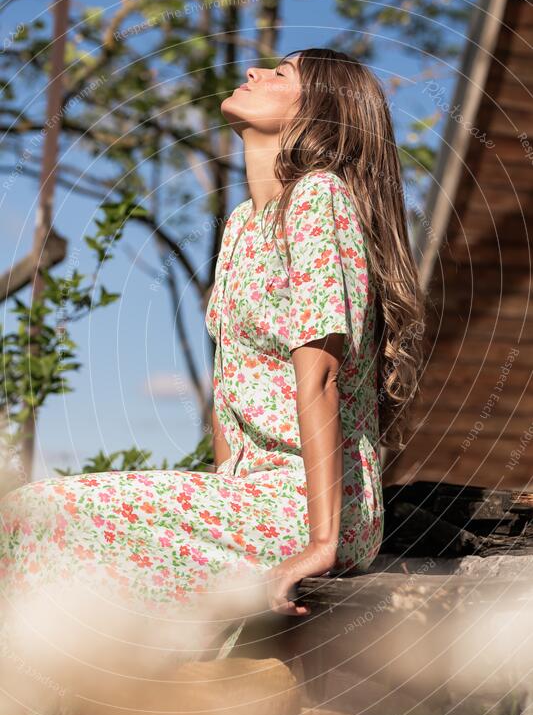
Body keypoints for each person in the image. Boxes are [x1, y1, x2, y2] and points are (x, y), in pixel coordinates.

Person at [0, 48, 424, 628]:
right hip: (246, 499)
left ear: (321, 113)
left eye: (281, 74)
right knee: (37, 539)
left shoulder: (319, 197)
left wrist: (321, 544)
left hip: (306, 507)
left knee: (29, 515)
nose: (254, 71)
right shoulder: (243, 225)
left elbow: (320, 375)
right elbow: (232, 384)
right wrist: (214, 488)